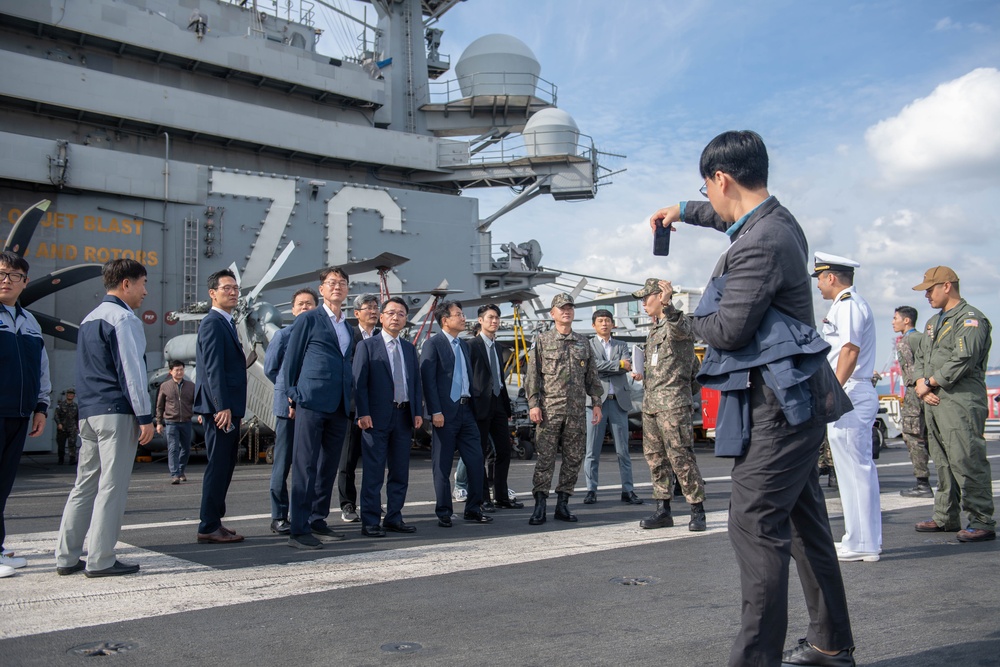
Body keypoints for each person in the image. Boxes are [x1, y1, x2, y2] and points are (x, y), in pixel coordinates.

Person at [650, 131, 855, 666]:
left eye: (707, 187)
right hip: (794, 401)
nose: (709, 197)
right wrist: (683, 210)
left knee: (755, 526)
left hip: (776, 407)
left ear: (723, 178)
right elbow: (727, 216)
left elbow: (728, 329)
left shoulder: (760, 243)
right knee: (804, 524)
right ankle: (831, 646)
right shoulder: (777, 221)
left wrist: (680, 310)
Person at [55, 258, 153, 577]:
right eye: (142, 284)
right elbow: (132, 372)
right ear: (126, 284)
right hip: (115, 413)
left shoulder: (89, 319)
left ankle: (66, 557)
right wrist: (145, 415)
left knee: (84, 486)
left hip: (88, 414)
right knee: (112, 486)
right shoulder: (124, 319)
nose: (145, 292)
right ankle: (102, 559)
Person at [912, 266, 995, 543]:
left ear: (947, 286)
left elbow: (964, 357)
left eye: (930, 288)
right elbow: (921, 356)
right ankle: (945, 516)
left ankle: (981, 519)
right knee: (943, 462)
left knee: (966, 458)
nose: (926, 295)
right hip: (934, 399)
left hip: (960, 400)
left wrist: (931, 381)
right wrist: (921, 386)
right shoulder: (933, 323)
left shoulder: (970, 319)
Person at [813, 252, 881, 563]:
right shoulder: (844, 305)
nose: (817, 285)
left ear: (831, 277)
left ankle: (865, 542)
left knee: (856, 470)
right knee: (849, 471)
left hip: (850, 392)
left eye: (819, 278)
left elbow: (850, 352)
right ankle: (858, 538)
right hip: (849, 392)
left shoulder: (849, 305)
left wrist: (834, 392)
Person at [283, 267, 354, 549]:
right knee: (305, 465)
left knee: (327, 466)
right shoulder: (309, 320)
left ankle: (317, 519)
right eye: (331, 283)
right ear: (321, 289)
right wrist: (293, 393)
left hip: (338, 405)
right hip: (311, 401)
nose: (337, 287)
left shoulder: (347, 327)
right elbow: (292, 359)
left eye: (342, 283)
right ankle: (298, 529)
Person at [632, 279, 706, 532]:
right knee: (656, 459)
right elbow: (691, 368)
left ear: (659, 297)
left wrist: (669, 304)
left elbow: (681, 330)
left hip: (672, 406)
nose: (642, 303)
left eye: (645, 298)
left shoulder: (677, 323)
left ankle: (697, 511)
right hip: (651, 405)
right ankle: (663, 510)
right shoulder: (653, 331)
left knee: (681, 457)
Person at [525, 293, 603, 526]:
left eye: (569, 308)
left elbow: (592, 376)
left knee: (573, 459)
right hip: (549, 410)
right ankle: (540, 505)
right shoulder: (542, 341)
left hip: (577, 412)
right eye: (561, 308)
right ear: (553, 314)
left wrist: (597, 402)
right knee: (545, 459)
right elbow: (533, 376)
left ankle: (563, 504)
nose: (566, 311)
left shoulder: (583, 342)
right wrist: (533, 404)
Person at [353, 297, 423, 537]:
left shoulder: (409, 348)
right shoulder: (367, 346)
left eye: (401, 314)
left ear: (405, 320)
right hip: (376, 418)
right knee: (373, 472)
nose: (396, 317)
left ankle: (394, 516)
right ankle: (370, 520)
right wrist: (362, 412)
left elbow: (415, 383)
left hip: (403, 416)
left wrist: (417, 412)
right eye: (391, 313)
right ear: (381, 317)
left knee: (400, 471)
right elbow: (359, 383)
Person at [420, 300, 492, 528]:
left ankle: (473, 508)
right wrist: (435, 411)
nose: (463, 318)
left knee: (476, 460)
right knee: (441, 466)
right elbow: (427, 381)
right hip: (444, 413)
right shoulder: (433, 344)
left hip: (466, 410)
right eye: (458, 315)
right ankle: (444, 511)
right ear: (445, 320)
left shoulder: (463, 345)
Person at [0, 251, 50, 578]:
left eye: (13, 275)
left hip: (19, 413)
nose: (6, 280)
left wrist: (41, 406)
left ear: (24, 282)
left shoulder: (30, 322)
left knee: (3, 484)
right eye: (1, 274)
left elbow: (40, 367)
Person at [193, 269, 248, 545]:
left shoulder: (226, 322)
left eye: (236, 288)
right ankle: (208, 524)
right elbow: (213, 369)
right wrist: (221, 406)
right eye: (227, 288)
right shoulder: (213, 323)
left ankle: (215, 521)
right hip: (222, 409)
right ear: (212, 293)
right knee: (218, 466)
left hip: (227, 406)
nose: (233, 292)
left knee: (225, 465)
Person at [262, 287, 317, 534]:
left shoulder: (319, 336)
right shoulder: (283, 336)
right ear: (293, 309)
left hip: (313, 409)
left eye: (309, 304)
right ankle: (278, 515)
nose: (305, 308)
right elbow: (271, 370)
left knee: (307, 465)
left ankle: (303, 515)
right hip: (288, 410)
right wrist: (290, 394)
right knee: (282, 464)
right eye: (300, 304)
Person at [583, 308, 642, 506]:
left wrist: (614, 366)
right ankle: (591, 489)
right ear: (594, 325)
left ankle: (628, 490)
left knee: (623, 450)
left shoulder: (622, 344)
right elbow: (593, 367)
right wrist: (618, 365)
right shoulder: (587, 345)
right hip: (595, 402)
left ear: (612, 324)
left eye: (608, 320)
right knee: (592, 449)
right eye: (600, 320)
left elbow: (626, 365)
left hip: (618, 402)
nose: (605, 323)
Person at [469, 304, 522, 510]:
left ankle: (501, 496)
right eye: (490, 317)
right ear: (480, 320)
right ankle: (483, 498)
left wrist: (506, 407)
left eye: (497, 318)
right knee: (479, 453)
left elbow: (499, 377)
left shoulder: (499, 348)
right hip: (480, 405)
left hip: (499, 403)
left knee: (504, 451)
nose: (495, 321)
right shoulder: (472, 345)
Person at [338, 293, 381, 523]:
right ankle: (347, 504)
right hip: (353, 408)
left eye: (376, 307)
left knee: (375, 460)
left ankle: (372, 502)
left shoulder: (383, 337)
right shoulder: (349, 337)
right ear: (356, 314)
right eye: (368, 307)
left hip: (377, 407)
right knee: (348, 461)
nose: (373, 311)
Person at [892, 305, 932, 497]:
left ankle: (922, 484)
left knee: (912, 436)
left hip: (915, 392)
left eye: (895, 318)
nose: (893, 322)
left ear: (906, 320)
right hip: (919, 391)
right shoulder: (917, 338)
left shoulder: (913, 339)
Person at [155, 360, 195, 484]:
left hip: (186, 421)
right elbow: (159, 406)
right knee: (173, 448)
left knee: (186, 448)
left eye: (181, 369)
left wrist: (201, 415)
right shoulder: (165, 386)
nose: (179, 372)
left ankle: (181, 470)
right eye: (176, 370)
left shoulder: (191, 386)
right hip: (171, 422)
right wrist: (159, 422)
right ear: (171, 371)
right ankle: (175, 474)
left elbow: (196, 402)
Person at [54, 388, 78, 466]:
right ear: (66, 395)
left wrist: (77, 427)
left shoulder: (75, 406)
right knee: (61, 444)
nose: (70, 395)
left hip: (72, 428)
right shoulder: (61, 405)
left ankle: (72, 459)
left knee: (72, 444)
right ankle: (61, 459)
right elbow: (56, 415)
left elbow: (77, 417)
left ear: (74, 396)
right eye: (69, 393)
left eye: (72, 394)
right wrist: (59, 424)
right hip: (62, 428)